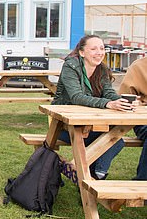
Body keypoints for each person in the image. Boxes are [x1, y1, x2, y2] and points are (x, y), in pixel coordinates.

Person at [52, 34, 136, 180]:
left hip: (90, 123)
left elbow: (108, 92)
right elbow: (76, 97)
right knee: (112, 140)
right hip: (63, 124)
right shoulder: (71, 66)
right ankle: (95, 177)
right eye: (93, 49)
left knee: (114, 139)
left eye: (102, 48)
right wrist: (107, 104)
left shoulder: (101, 69)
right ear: (82, 52)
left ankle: (91, 177)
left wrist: (122, 101)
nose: (99, 52)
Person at [118, 57, 147, 180]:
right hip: (142, 119)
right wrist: (138, 103)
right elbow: (124, 99)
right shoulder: (139, 67)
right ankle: (142, 183)